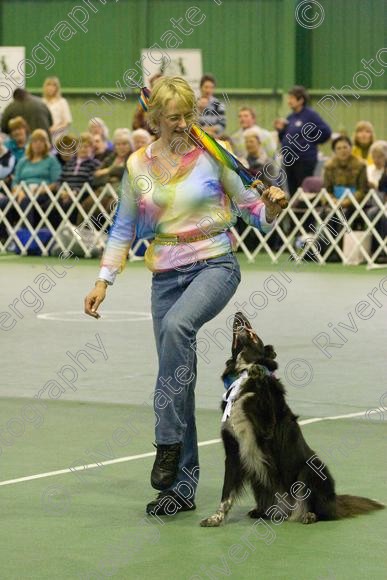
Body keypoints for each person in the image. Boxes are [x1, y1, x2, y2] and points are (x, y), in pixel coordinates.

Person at [83, 76, 286, 516]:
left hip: (215, 263)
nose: (181, 124)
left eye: (187, 115)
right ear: (154, 119)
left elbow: (254, 210)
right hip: (165, 276)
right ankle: (181, 488)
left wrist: (269, 204)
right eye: (172, 117)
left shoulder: (213, 157)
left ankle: (168, 441)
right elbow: (122, 227)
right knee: (177, 377)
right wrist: (104, 279)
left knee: (178, 327)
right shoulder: (137, 165)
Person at [274, 85, 331, 195]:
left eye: (292, 98)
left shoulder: (310, 115)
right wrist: (280, 130)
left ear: (301, 100)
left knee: (303, 191)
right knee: (292, 191)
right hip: (289, 160)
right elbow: (283, 138)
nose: (289, 101)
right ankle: (296, 212)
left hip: (304, 160)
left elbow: (326, 132)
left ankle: (304, 211)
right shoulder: (290, 117)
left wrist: (309, 141)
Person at [12, 129, 61, 226]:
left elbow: (56, 181)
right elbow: (15, 182)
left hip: (42, 192)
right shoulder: (23, 161)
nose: (38, 144)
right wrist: (19, 191)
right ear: (30, 143)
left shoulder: (51, 160)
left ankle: (28, 232)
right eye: (35, 141)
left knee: (26, 201)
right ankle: (5, 235)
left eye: (41, 141)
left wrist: (43, 189)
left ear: (46, 143)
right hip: (23, 192)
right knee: (4, 202)